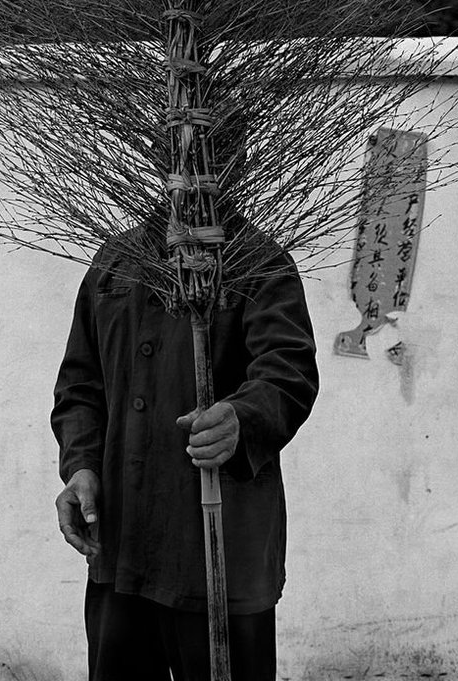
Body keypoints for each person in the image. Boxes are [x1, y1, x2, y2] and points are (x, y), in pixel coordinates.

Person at [51, 215, 319, 680]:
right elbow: (80, 385)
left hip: (221, 550)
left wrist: (242, 418)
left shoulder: (255, 261)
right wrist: (82, 466)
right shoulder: (115, 263)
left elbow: (287, 372)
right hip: (123, 548)